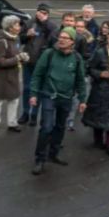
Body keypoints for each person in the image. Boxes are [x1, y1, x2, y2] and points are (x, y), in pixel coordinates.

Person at [29, 27, 88, 175]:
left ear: (72, 42)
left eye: (65, 38)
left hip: (66, 98)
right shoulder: (49, 54)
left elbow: (81, 80)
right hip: (49, 95)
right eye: (60, 37)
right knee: (47, 127)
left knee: (60, 127)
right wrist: (34, 94)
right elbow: (37, 75)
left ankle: (53, 154)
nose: (61, 40)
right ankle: (40, 159)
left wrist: (82, 99)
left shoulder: (77, 58)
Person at [19, 3, 57, 126]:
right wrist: (26, 35)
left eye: (45, 13)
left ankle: (34, 115)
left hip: (41, 63)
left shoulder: (50, 25)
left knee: (38, 90)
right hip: (28, 60)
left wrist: (45, 22)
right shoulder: (30, 23)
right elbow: (20, 39)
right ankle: (25, 112)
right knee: (26, 88)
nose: (41, 15)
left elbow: (53, 39)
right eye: (40, 12)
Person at [0, 15, 28, 133]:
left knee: (14, 100)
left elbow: (16, 53)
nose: (19, 26)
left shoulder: (16, 39)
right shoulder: (2, 42)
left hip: (13, 75)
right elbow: (0, 61)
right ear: (10, 27)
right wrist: (17, 58)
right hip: (1, 76)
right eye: (16, 24)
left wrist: (22, 57)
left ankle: (12, 123)